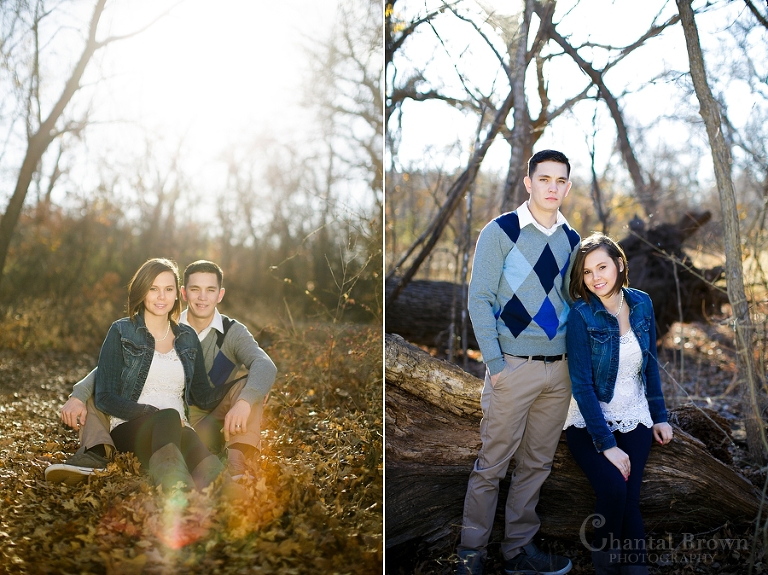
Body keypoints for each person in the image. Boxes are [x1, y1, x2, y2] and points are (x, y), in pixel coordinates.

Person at [45, 260, 277, 485]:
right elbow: (105, 386)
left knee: (202, 457)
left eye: (168, 289)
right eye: (153, 288)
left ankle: (229, 486)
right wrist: (81, 393)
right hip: (131, 425)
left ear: (177, 294)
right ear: (143, 291)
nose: (161, 296)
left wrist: (246, 390)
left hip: (179, 426)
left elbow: (202, 394)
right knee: (168, 417)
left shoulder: (187, 337)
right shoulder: (122, 330)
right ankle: (172, 484)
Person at [458, 150, 580, 575]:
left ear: (567, 186)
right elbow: (480, 298)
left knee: (536, 464)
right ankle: (471, 553)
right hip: (513, 365)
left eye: (560, 180)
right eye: (543, 178)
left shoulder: (572, 239)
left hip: (559, 370)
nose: (552, 187)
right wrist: (495, 362)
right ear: (528, 183)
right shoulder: (501, 231)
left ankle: (518, 550)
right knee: (491, 465)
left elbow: (574, 301)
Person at [563, 233, 673, 575]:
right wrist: (607, 444)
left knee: (629, 497)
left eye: (602, 267)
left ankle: (636, 569)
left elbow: (650, 364)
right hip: (588, 419)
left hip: (634, 412)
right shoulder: (581, 316)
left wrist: (660, 416)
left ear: (620, 265)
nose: (596, 278)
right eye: (587, 272)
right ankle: (605, 568)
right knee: (612, 488)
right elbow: (581, 386)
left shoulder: (642, 303)